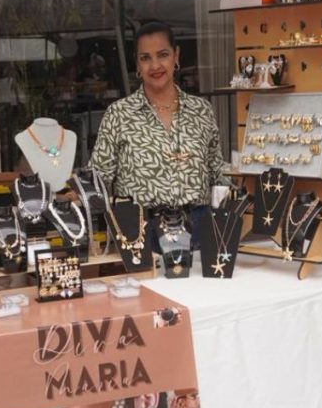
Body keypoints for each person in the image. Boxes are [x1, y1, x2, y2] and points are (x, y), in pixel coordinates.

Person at [90, 21, 230, 245]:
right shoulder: (119, 114)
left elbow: (217, 175)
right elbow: (98, 180)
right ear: (137, 63)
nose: (155, 65)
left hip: (199, 229)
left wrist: (221, 228)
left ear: (176, 55)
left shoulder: (201, 110)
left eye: (163, 55)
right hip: (141, 234)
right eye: (145, 58)